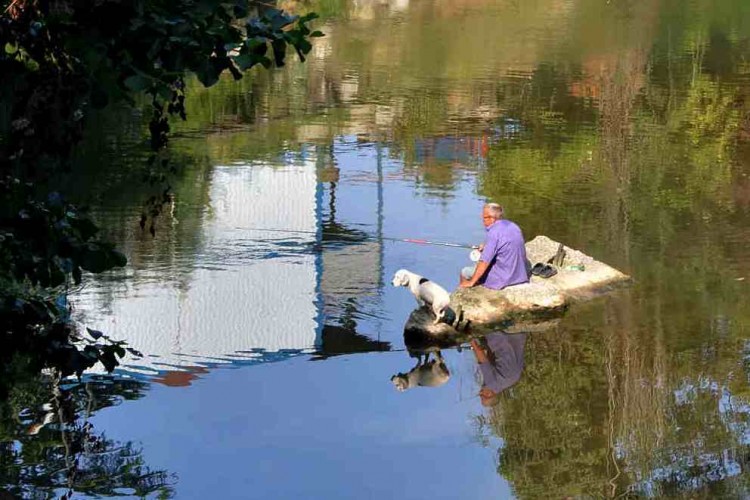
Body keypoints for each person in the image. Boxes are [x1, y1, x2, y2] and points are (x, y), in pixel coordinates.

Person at [459, 202, 529, 290]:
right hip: (520, 275)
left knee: (465, 271)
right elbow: (503, 241)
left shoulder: (494, 233)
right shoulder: (513, 226)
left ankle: (460, 296)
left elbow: (484, 261)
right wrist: (486, 245)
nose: (482, 220)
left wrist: (472, 282)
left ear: (492, 218)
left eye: (484, 217)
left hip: (504, 279)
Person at [470, 332, 526, 407]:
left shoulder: (510, 381)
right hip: (501, 335)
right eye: (482, 396)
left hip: (518, 336)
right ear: (489, 394)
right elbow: (482, 358)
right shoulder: (492, 384)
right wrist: (471, 341)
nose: (480, 393)